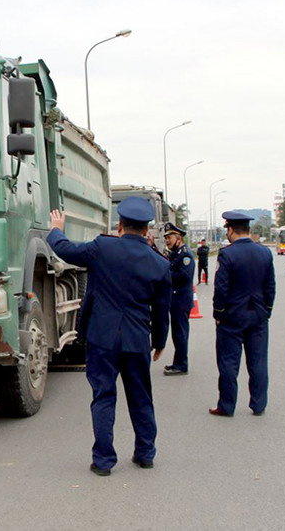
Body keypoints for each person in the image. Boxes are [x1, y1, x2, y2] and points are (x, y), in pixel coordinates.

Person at [47, 197, 172, 476]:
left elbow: (66, 250)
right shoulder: (160, 264)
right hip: (137, 340)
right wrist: (160, 342)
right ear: (147, 229)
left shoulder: (103, 247)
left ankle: (103, 461)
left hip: (102, 338)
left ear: (120, 225)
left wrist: (56, 228)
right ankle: (145, 454)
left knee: (103, 396)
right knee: (141, 397)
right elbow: (162, 311)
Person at [210, 211, 276, 417]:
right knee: (258, 361)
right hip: (258, 316)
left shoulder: (227, 254)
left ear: (230, 230)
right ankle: (258, 404)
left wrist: (218, 313)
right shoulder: (264, 253)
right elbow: (270, 286)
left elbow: (221, 288)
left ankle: (227, 406)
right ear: (249, 230)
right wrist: (267, 310)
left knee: (229, 362)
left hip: (231, 317)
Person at [162, 223, 195, 376]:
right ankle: (178, 362)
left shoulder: (185, 254)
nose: (167, 240)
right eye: (166, 238)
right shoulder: (176, 253)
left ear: (179, 238)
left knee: (180, 333)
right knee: (177, 334)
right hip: (175, 300)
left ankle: (181, 365)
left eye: (170, 237)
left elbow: (184, 276)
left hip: (181, 301)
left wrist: (165, 276)